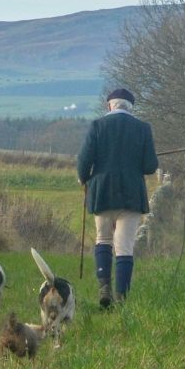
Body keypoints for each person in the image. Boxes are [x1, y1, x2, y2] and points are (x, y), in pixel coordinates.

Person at [75, 87, 158, 308]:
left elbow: (84, 161)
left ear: (109, 105)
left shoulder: (97, 126)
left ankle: (104, 289)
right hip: (131, 194)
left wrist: (83, 178)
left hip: (101, 191)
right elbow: (150, 166)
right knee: (124, 246)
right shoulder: (142, 128)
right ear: (131, 107)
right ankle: (121, 298)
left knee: (103, 239)